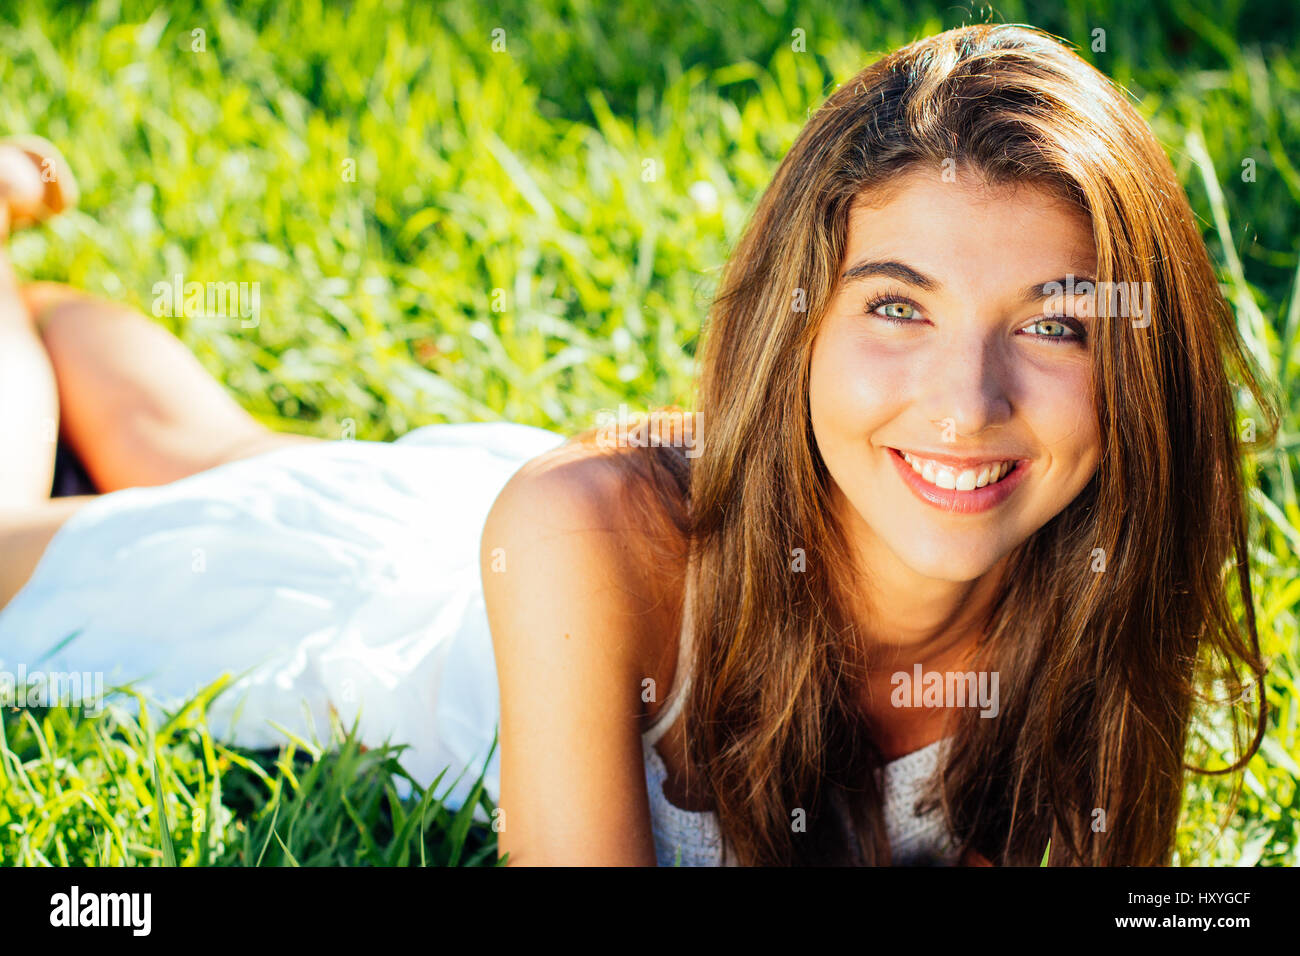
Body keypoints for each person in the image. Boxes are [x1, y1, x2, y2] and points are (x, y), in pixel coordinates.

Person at [0, 22, 1277, 866]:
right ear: (796, 327)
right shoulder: (590, 539)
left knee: (218, 444)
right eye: (897, 305)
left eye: (1052, 326)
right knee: (67, 530)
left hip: (491, 517)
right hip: (417, 603)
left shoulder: (1109, 560)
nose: (966, 402)